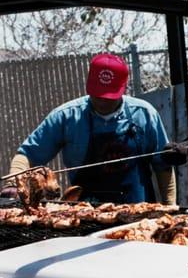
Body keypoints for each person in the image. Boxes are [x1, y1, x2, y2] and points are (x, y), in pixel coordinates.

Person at [0, 53, 176, 204]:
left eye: (108, 96)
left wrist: (170, 206)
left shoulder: (144, 114)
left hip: (138, 212)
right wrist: (12, 184)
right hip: (85, 213)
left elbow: (163, 166)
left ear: (123, 88)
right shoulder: (67, 117)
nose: (102, 101)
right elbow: (28, 154)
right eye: (97, 94)